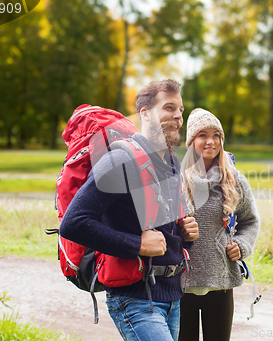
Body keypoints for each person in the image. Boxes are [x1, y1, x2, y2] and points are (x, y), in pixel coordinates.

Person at [60, 79, 199, 341]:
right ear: (144, 113)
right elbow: (74, 223)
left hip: (171, 297)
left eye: (181, 109)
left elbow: (165, 235)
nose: (178, 116)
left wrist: (186, 235)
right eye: (169, 108)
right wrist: (137, 245)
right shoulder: (120, 159)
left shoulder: (171, 161)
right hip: (135, 299)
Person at [178, 108, 260, 341]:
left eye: (217, 135)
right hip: (181, 283)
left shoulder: (234, 179)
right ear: (191, 141)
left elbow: (250, 221)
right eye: (202, 134)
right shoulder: (176, 180)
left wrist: (242, 245)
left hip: (221, 283)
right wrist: (180, 231)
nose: (210, 141)